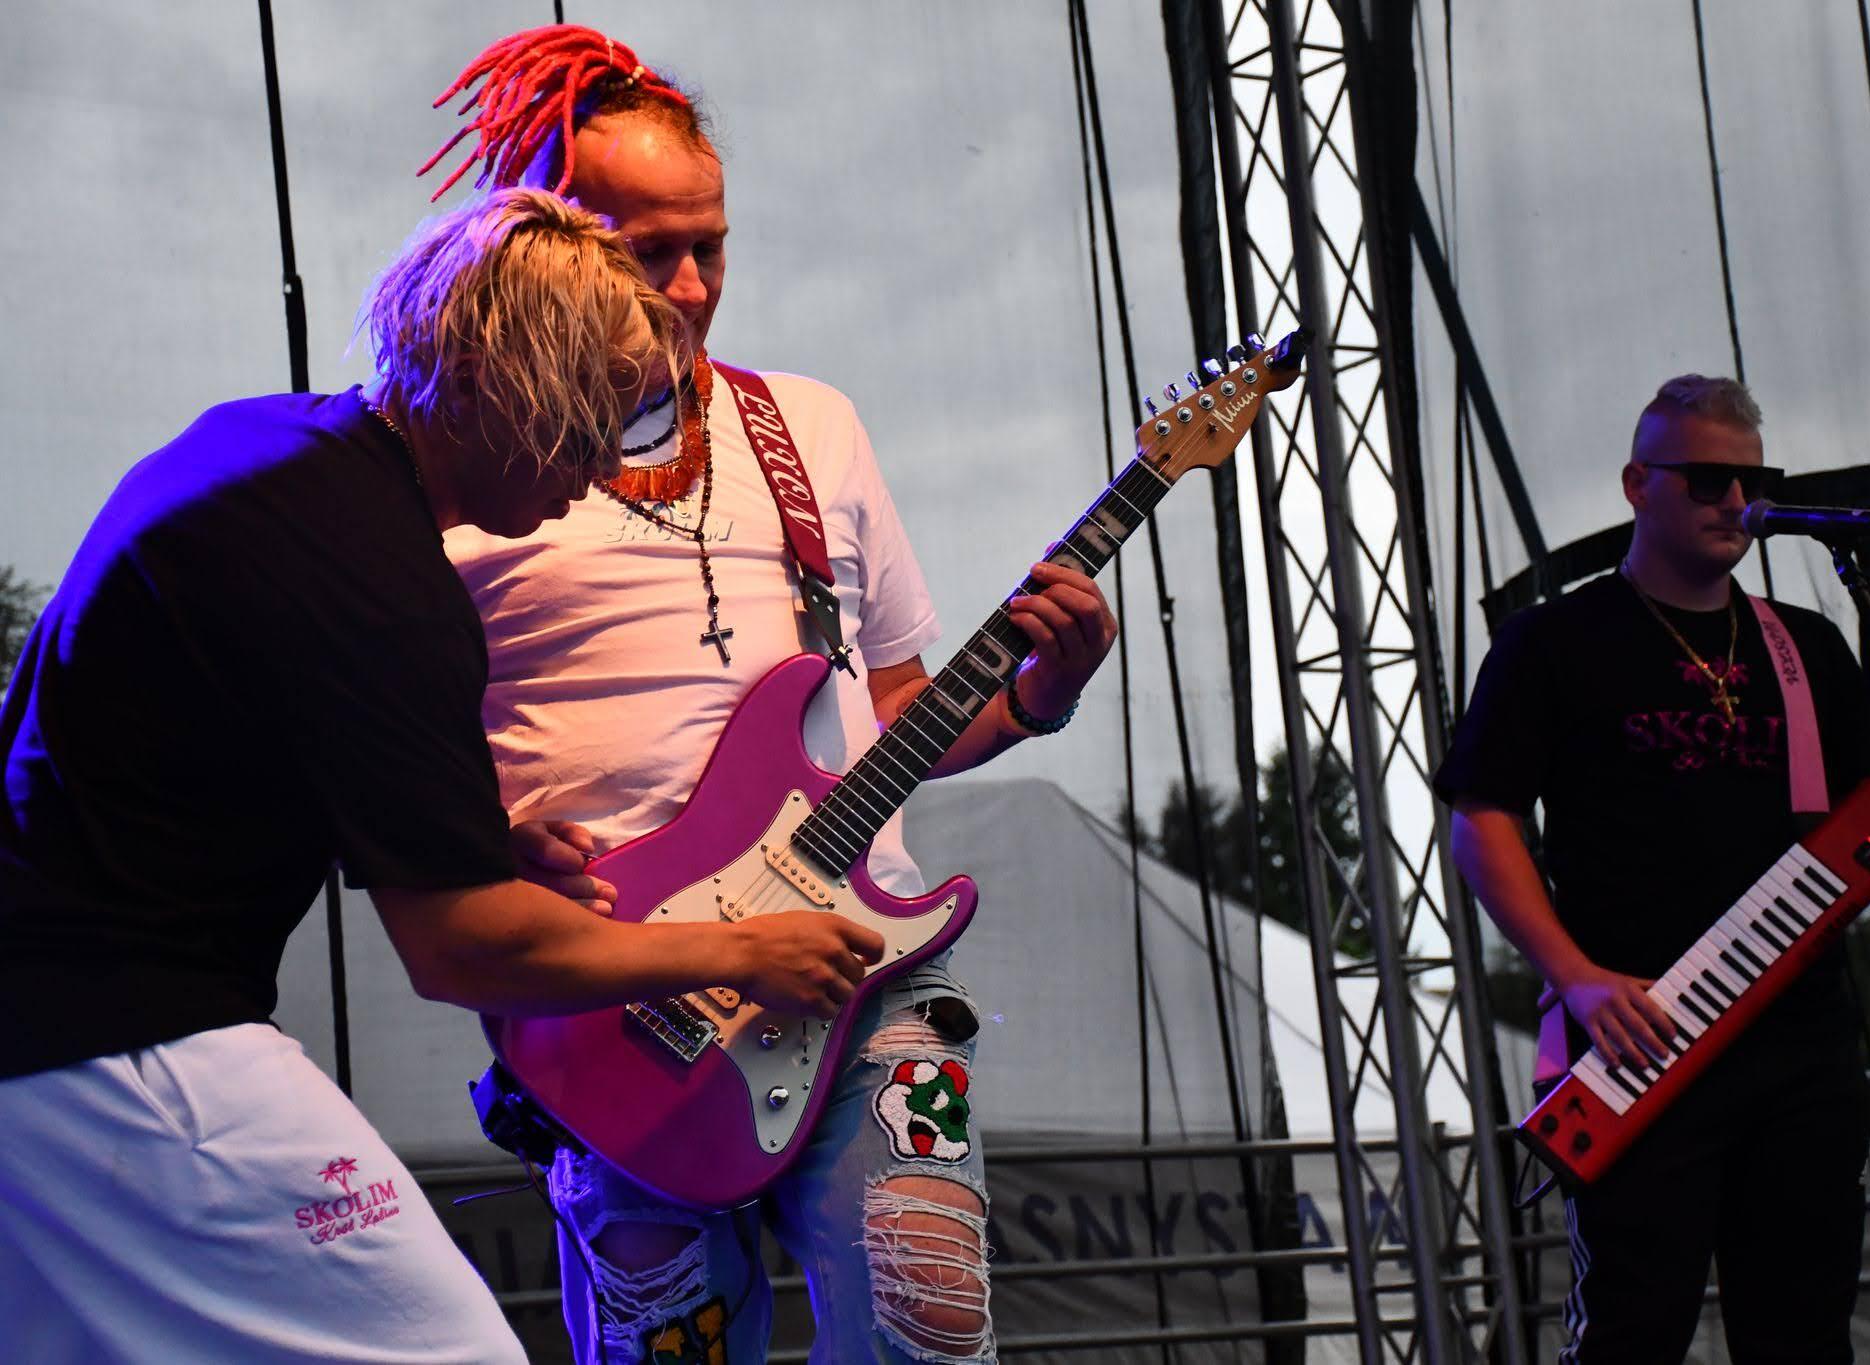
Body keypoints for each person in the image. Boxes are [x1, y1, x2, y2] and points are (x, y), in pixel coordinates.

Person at [0, 186, 892, 1362]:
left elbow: (194, 767)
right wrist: (739, 951)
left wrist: (454, 825)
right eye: (587, 417)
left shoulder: (256, 451)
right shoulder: (387, 587)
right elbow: (466, 950)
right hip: (121, 1043)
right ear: (490, 381)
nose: (599, 465)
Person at [421, 25, 1119, 1365]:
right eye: (648, 253)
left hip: (866, 971)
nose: (690, 288)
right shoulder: (461, 475)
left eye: (713, 247)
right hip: (617, 1015)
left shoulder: (813, 430)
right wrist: (485, 846)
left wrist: (1040, 694)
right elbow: (389, 773)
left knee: (932, 1330)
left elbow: (894, 711)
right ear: (544, 239)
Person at [1434, 375, 1870, 1363]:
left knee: (1803, 1336)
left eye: (1753, 482)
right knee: (1631, 1334)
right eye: (1707, 480)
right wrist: (1575, 977)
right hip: (1637, 1043)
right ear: (1638, 484)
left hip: (1801, 1048)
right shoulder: (1554, 640)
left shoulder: (1805, 646)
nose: (1735, 503)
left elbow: (1863, 828)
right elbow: (1480, 821)